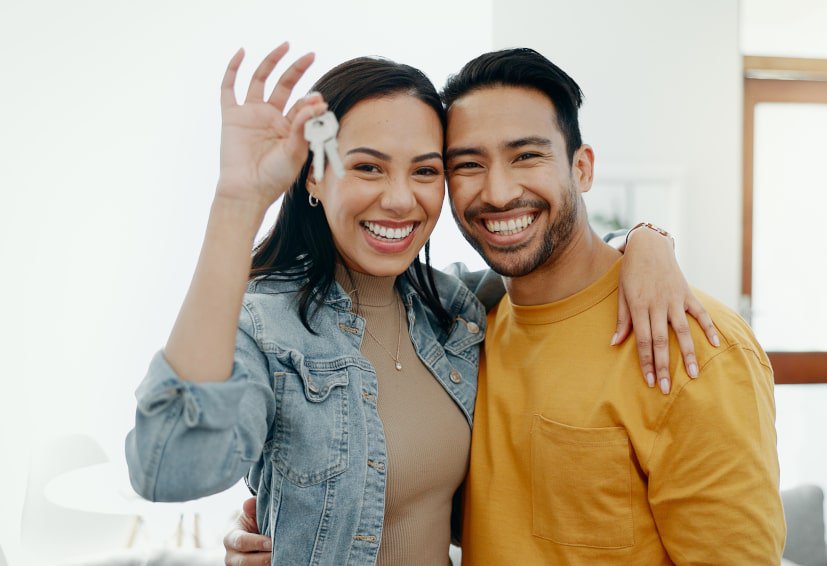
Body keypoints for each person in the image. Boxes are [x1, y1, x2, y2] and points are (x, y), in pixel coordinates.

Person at [126, 44, 713, 566]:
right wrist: (238, 201)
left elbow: (552, 268)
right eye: (367, 167)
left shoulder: (454, 310)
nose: (400, 199)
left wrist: (645, 243)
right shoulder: (266, 326)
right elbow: (170, 468)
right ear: (312, 176)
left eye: (426, 171)